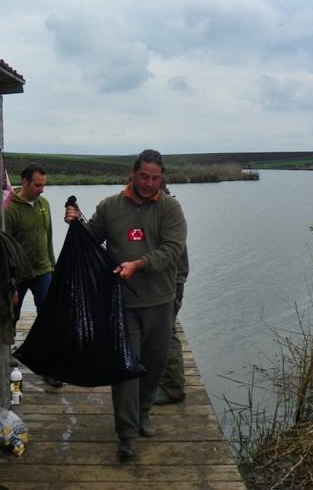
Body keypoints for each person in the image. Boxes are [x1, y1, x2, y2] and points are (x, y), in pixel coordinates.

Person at [65, 149, 187, 461]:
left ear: (162, 178)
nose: (149, 183)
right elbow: (90, 240)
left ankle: (143, 412)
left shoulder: (170, 208)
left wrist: (140, 264)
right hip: (122, 302)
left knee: (154, 365)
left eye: (155, 178)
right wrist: (75, 224)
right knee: (125, 368)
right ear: (133, 173)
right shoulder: (110, 207)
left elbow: (172, 250)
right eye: (144, 176)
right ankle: (127, 434)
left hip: (160, 301)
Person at [5, 162, 62, 388]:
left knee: (49, 316)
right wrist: (10, 284)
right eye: (38, 185)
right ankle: (6, 356)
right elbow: (5, 248)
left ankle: (50, 366)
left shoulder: (44, 204)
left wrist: (53, 267)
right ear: (25, 182)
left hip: (43, 271)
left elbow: (48, 237)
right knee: (11, 316)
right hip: (19, 275)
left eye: (43, 185)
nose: (42, 190)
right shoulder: (10, 209)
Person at [153, 245, 189, 405]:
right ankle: (161, 381)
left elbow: (170, 250)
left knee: (166, 331)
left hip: (170, 281)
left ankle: (173, 388)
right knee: (160, 331)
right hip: (161, 281)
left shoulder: (171, 227)